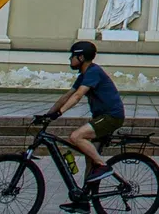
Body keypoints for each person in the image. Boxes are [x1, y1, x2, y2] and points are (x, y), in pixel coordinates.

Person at [44, 41, 125, 212]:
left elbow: (79, 95)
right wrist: (47, 115)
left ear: (81, 57)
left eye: (72, 56)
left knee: (76, 137)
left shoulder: (93, 72)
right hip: (102, 116)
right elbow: (68, 95)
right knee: (90, 161)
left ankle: (103, 166)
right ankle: (83, 201)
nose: (70, 59)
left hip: (111, 116)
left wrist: (60, 114)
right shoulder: (84, 74)